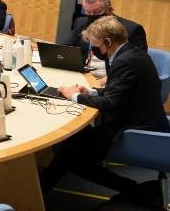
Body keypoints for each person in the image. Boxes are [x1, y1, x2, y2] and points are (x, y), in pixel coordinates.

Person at [39, 16, 169, 194]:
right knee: (72, 146)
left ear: (108, 42)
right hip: (137, 116)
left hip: (137, 128)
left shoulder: (124, 62)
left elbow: (110, 103)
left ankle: (133, 189)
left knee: (72, 155)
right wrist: (90, 92)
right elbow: (121, 93)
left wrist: (74, 96)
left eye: (94, 45)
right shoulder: (131, 53)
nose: (92, 50)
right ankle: (40, 188)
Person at [66, 0, 148, 60]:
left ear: (109, 10)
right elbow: (66, 48)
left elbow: (137, 61)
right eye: (88, 12)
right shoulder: (81, 23)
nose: (92, 16)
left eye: (96, 12)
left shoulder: (132, 29)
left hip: (114, 74)